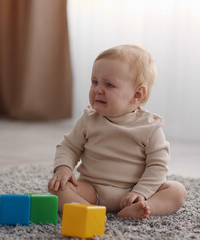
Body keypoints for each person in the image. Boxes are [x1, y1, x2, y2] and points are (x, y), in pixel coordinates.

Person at [48, 44, 187, 220]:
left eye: (109, 84)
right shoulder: (89, 119)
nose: (98, 89)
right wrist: (64, 168)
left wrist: (140, 193)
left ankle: (144, 208)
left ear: (137, 94)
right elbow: (69, 147)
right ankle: (88, 211)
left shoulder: (150, 128)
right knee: (56, 188)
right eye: (94, 82)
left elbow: (157, 166)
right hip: (92, 190)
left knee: (177, 191)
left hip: (132, 193)